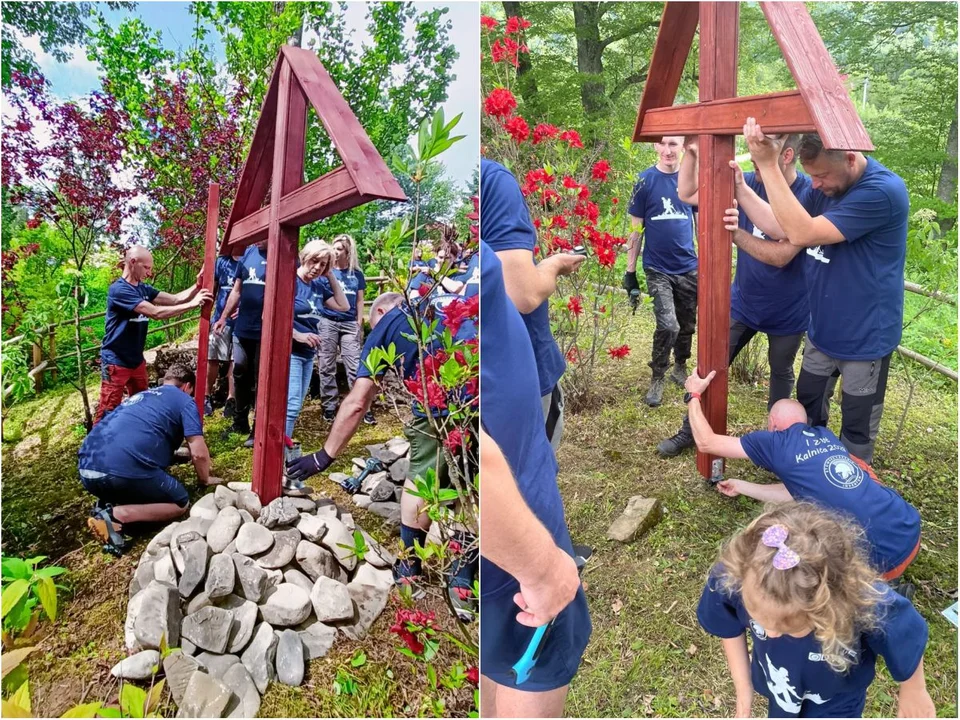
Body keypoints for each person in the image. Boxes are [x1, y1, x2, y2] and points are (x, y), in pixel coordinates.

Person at [730, 120, 909, 464]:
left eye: (822, 175)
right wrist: (741, 188)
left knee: (856, 428)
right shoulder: (826, 189)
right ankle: (812, 476)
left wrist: (768, 164)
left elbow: (802, 232)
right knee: (809, 411)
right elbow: (778, 224)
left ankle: (849, 496)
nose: (815, 184)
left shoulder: (882, 192)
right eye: (811, 176)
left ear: (852, 159)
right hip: (822, 332)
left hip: (864, 338)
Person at [285, 289, 478, 608]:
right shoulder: (450, 302)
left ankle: (410, 569)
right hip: (486, 397)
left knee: (423, 479)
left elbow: (359, 401)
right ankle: (461, 580)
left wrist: (324, 456)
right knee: (472, 487)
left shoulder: (390, 321)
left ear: (383, 311)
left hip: (442, 404)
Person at [480, 241, 590, 717]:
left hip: (509, 513)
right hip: (514, 522)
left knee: (496, 648)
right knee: (531, 658)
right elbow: (473, 454)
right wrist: (542, 567)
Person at [697, 502, 934, 718]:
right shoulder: (736, 575)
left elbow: (906, 636)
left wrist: (915, 689)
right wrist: (743, 688)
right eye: (758, 623)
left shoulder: (864, 601)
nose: (770, 635)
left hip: (837, 699)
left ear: (829, 605)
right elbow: (726, 623)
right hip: (781, 689)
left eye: (787, 628)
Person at [683, 369, 921, 582]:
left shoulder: (776, 442)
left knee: (801, 575)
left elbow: (706, 442)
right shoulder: (825, 436)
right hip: (908, 529)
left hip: (878, 562)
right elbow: (799, 492)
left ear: (773, 423)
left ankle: (882, 595)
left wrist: (693, 396)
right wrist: (741, 486)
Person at [658, 135, 812, 456]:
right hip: (743, 303)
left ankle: (780, 447)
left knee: (781, 375)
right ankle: (690, 430)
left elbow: (783, 253)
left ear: (784, 156)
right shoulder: (751, 184)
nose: (754, 168)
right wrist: (692, 151)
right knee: (710, 364)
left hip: (789, 312)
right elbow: (686, 193)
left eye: (759, 161)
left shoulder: (809, 194)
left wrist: (736, 235)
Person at [480, 158, 584, 451]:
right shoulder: (492, 179)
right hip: (520, 374)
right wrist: (553, 266)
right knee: (531, 478)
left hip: (482, 382)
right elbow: (523, 295)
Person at [81, 364, 219, 552]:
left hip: (87, 468)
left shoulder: (142, 396)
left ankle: (109, 500)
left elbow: (136, 435)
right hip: (119, 473)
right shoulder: (185, 401)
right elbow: (198, 452)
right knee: (180, 502)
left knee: (131, 474)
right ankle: (115, 515)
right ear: (187, 387)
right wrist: (205, 479)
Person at [95, 246, 212, 423]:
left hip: (136, 361)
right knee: (108, 409)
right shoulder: (119, 290)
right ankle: (95, 448)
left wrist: (197, 287)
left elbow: (175, 299)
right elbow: (155, 313)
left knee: (142, 403)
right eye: (147, 268)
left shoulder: (144, 289)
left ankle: (137, 440)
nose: (149, 273)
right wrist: (193, 305)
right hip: (116, 361)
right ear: (133, 263)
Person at [622, 136, 698, 407]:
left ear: (683, 147)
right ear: (655, 146)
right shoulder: (644, 181)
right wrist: (630, 272)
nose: (668, 150)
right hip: (657, 268)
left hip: (689, 266)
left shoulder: (692, 179)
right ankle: (658, 375)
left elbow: (700, 222)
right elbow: (636, 230)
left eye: (673, 144)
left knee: (687, 324)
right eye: (663, 144)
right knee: (668, 324)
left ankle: (680, 365)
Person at [287, 240, 348, 442]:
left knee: (296, 405)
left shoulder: (318, 286)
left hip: (307, 353)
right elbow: (271, 315)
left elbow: (343, 305)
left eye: (322, 264)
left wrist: (329, 274)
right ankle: (281, 451)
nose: (317, 268)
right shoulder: (290, 281)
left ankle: (284, 445)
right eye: (314, 261)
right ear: (305, 257)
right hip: (291, 351)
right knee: (292, 405)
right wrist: (296, 334)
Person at [213, 240, 267, 447]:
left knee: (260, 377)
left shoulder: (283, 252)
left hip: (265, 330)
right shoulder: (249, 253)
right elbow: (236, 290)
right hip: (242, 327)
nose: (258, 238)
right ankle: (240, 422)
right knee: (239, 371)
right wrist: (223, 317)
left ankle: (258, 428)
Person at [315, 234, 374, 425]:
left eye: (340, 249)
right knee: (326, 365)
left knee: (355, 366)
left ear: (348, 252)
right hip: (328, 321)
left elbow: (359, 300)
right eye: (335, 247)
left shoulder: (356, 274)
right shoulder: (326, 272)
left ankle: (361, 405)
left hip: (349, 324)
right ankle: (329, 406)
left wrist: (359, 323)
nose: (335, 251)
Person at [204, 253, 241, 417]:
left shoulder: (250, 259)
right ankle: (205, 396)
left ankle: (231, 400)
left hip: (241, 320)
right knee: (212, 358)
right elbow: (212, 288)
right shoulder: (222, 261)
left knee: (236, 360)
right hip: (219, 318)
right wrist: (207, 315)